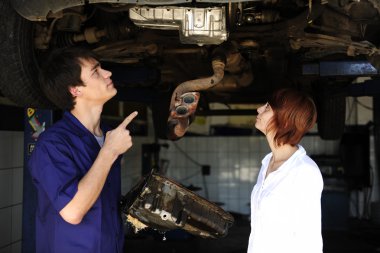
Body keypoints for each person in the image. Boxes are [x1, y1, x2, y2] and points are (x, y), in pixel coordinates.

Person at [28, 47, 138, 253]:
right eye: (96, 71)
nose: (108, 73)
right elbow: (73, 211)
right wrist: (109, 152)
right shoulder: (52, 145)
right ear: (75, 89)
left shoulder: (107, 135)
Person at [247, 88, 323, 253]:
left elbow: (309, 241)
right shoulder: (268, 162)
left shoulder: (304, 171)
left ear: (285, 120)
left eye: (267, 108)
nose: (259, 109)